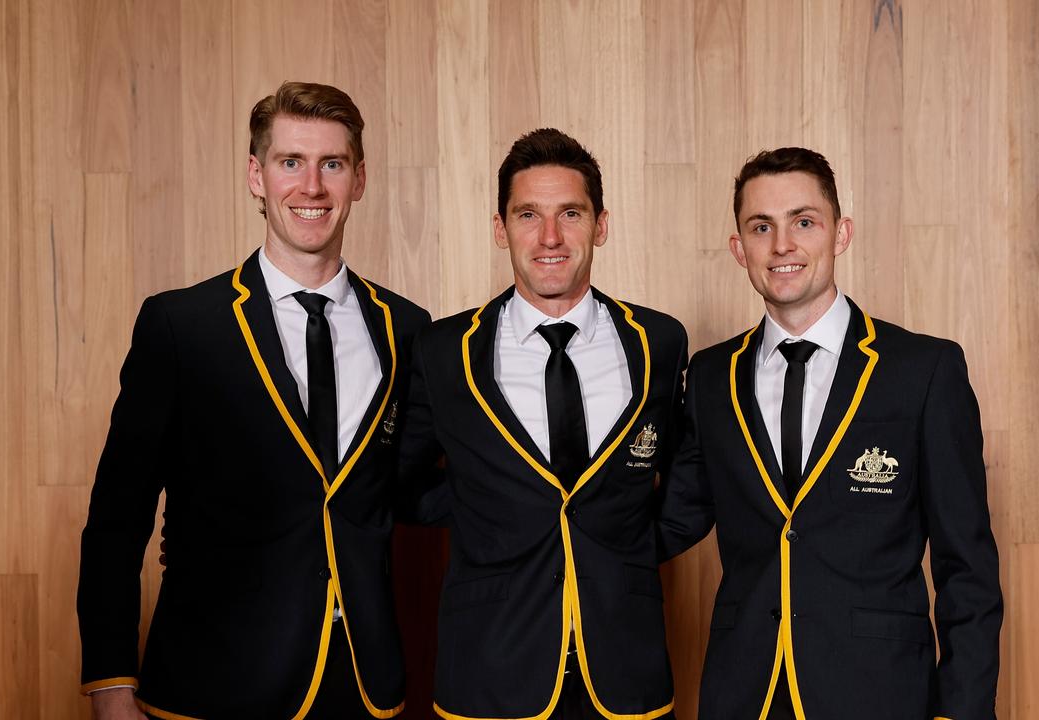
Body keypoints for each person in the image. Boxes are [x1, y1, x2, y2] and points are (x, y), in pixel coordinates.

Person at [77, 81, 429, 719]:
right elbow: (116, 518)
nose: (312, 186)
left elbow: (409, 485)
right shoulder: (182, 326)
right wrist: (109, 682)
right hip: (215, 684)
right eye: (290, 162)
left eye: (333, 164)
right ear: (256, 176)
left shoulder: (407, 327)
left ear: (360, 179)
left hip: (363, 684)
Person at [658, 148, 1003, 719]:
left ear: (840, 234)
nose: (783, 245)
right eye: (761, 227)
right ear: (739, 248)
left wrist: (962, 712)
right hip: (744, 693)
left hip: (878, 694)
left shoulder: (923, 370)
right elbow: (674, 520)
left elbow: (966, 567)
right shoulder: (713, 376)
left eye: (804, 221)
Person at [397, 129, 687, 719]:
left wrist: (625, 549)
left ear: (600, 225)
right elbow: (400, 480)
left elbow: (688, 474)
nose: (549, 237)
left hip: (626, 664)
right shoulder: (443, 350)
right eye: (528, 214)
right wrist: (487, 518)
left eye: (570, 214)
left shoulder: (659, 340)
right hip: (490, 665)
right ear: (500, 228)